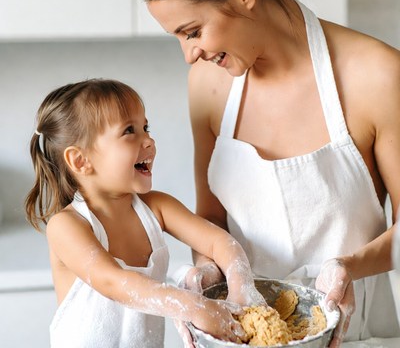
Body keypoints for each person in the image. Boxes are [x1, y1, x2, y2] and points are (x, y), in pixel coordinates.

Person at [140, 0, 400, 346]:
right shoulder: (208, 85)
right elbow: (211, 217)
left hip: (354, 333)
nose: (189, 54)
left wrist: (347, 267)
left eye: (192, 31)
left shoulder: (376, 75)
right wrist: (207, 272)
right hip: (244, 333)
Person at [25, 79, 266, 348]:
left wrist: (241, 289)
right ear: (81, 161)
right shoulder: (67, 226)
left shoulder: (157, 207)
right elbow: (112, 281)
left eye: (145, 127)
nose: (149, 140)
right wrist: (193, 306)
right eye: (130, 131)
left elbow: (219, 242)